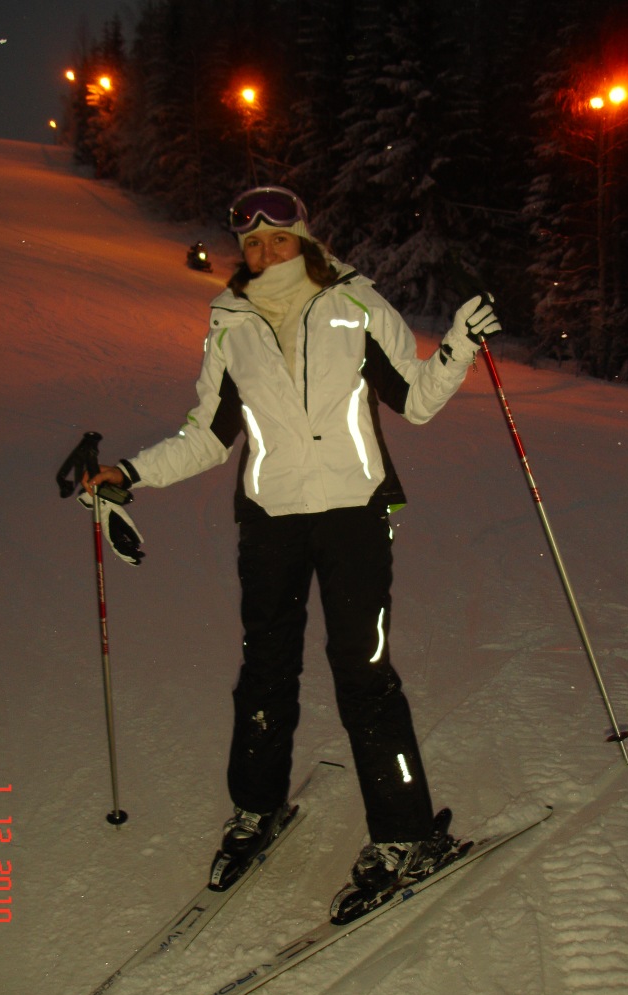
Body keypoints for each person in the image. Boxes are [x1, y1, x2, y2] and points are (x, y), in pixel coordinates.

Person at [84, 185, 501, 897]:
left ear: (303, 238)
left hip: (353, 518)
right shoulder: (231, 323)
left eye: (278, 238)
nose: (265, 252)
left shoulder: (355, 303)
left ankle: (405, 832)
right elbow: (209, 435)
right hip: (270, 521)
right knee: (265, 671)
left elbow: (416, 399)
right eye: (252, 243)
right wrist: (131, 472)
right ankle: (256, 806)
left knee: (363, 674)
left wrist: (458, 344)